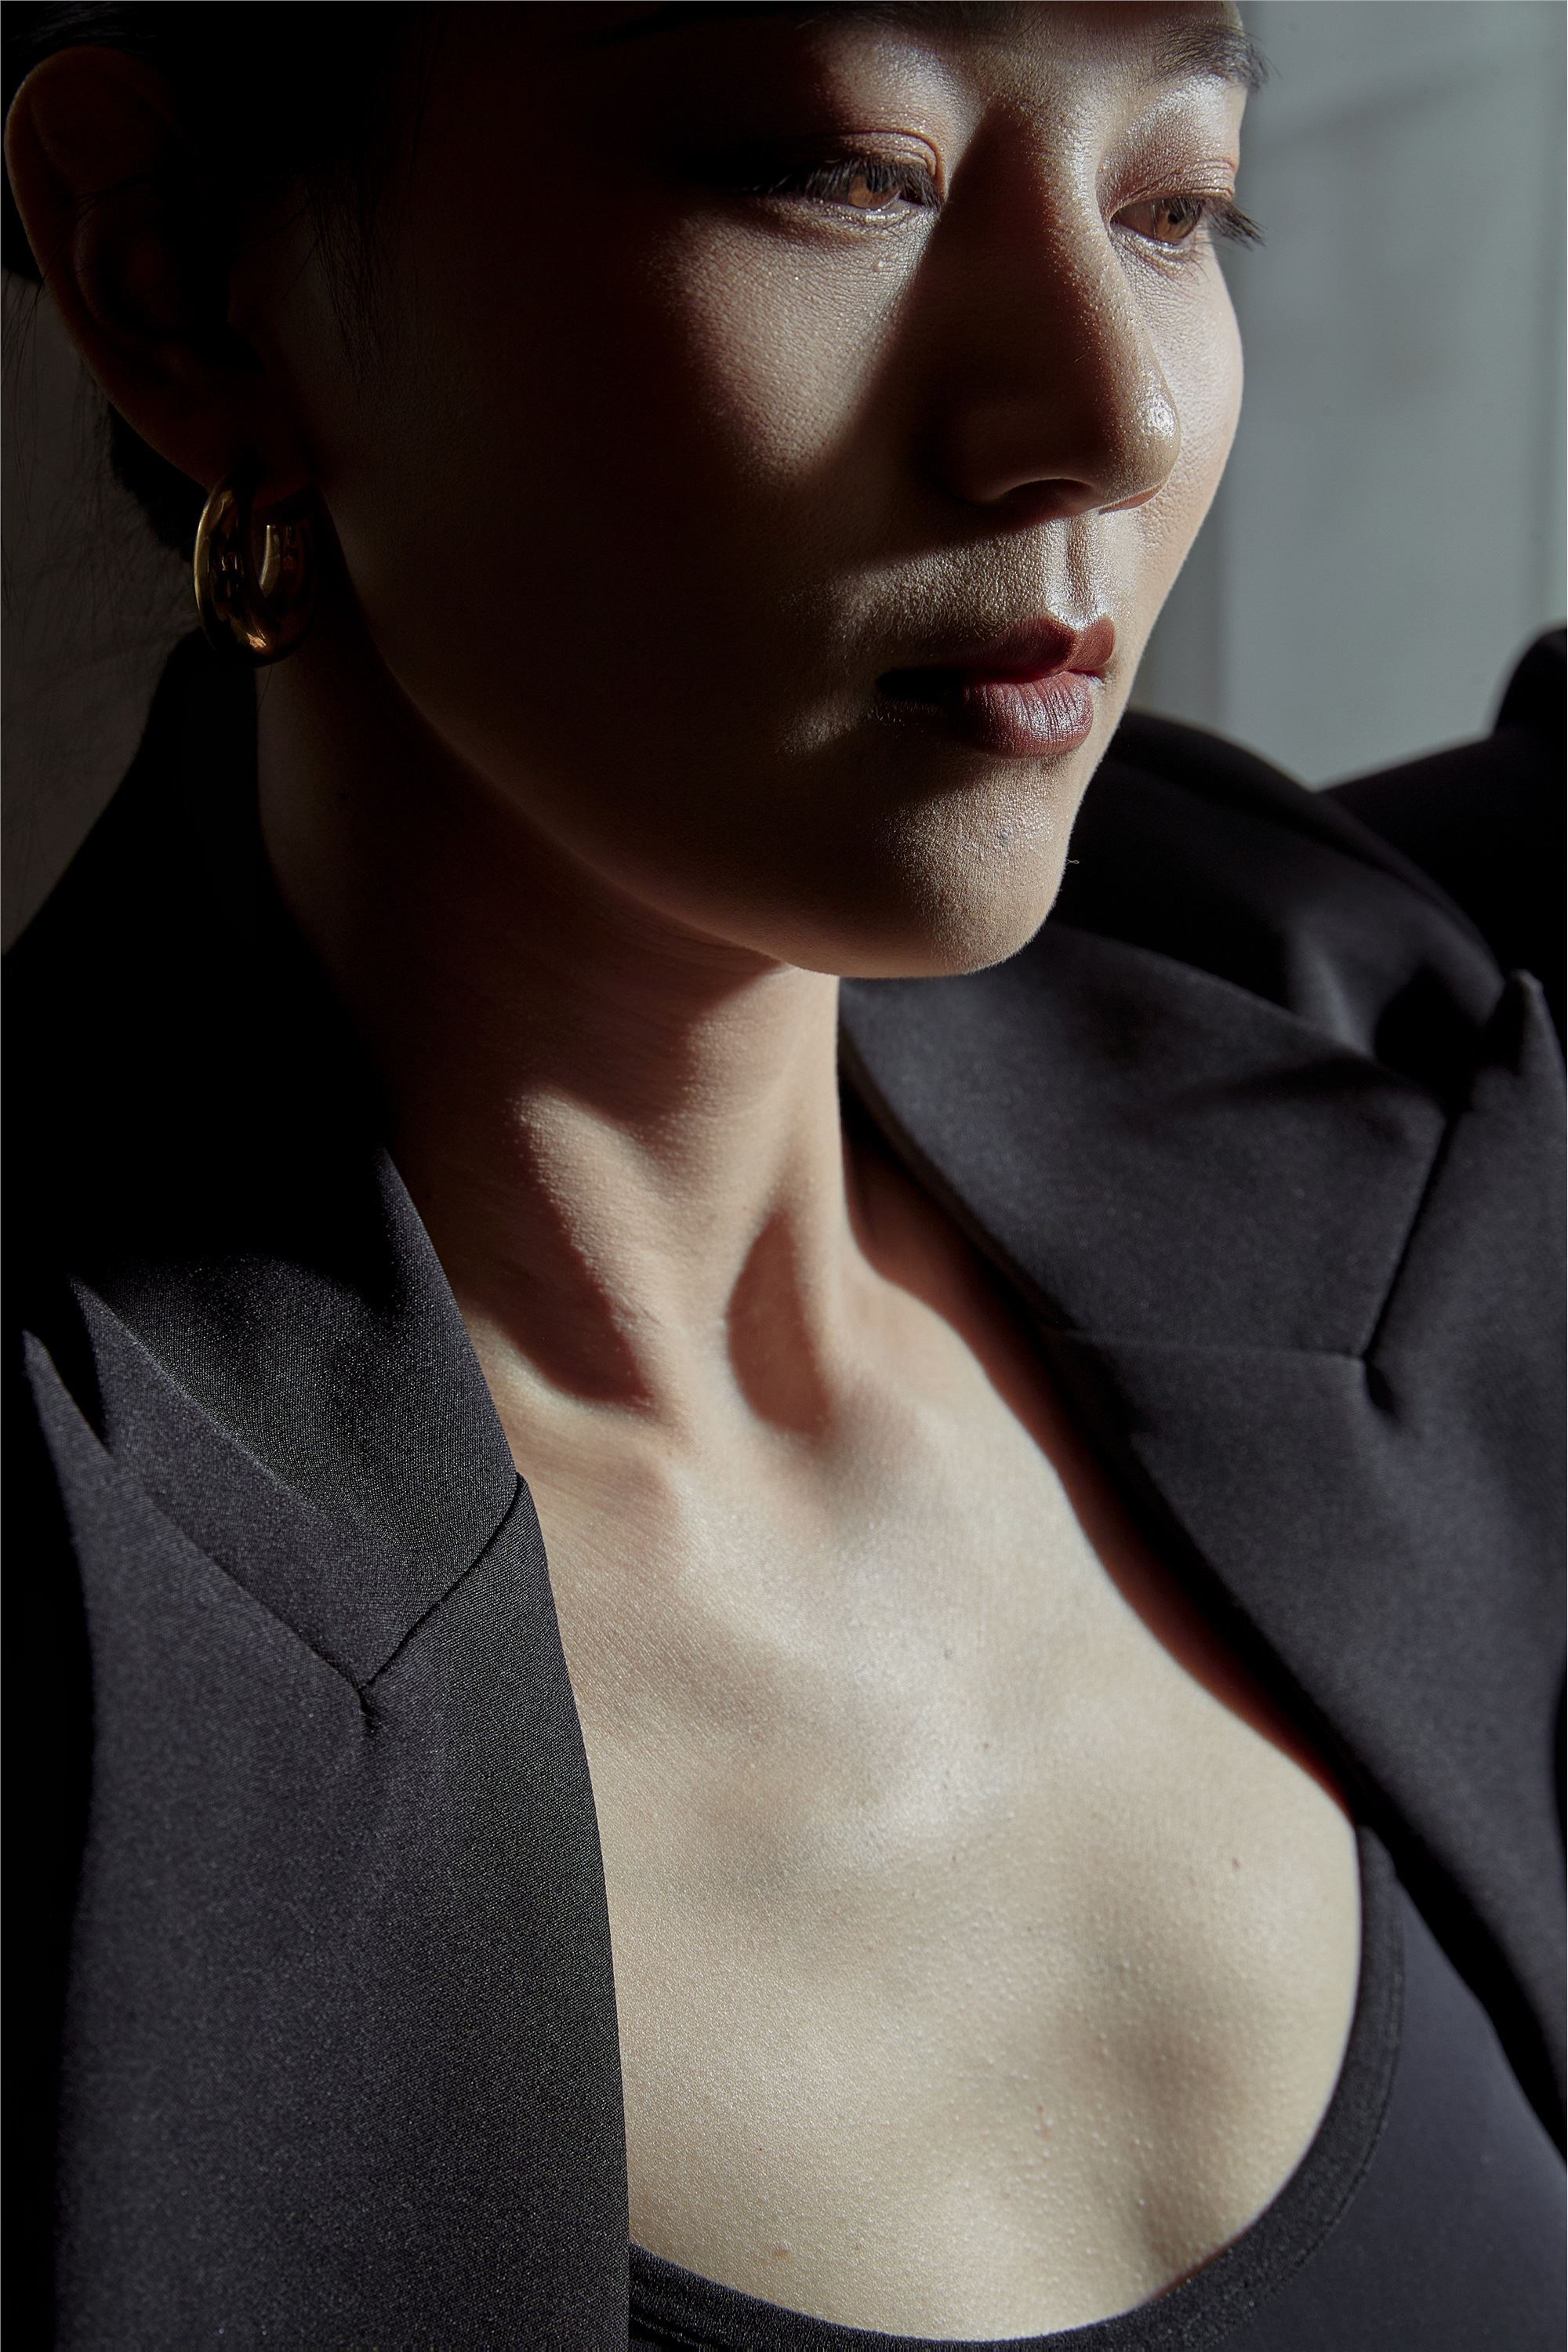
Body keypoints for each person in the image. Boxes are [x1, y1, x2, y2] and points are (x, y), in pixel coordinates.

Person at [2, 5, 1562, 2345]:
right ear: (179, 278)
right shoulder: (80, 1660)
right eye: (850, 173)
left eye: (1180, 202)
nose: (1110, 415)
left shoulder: (1350, 1027)